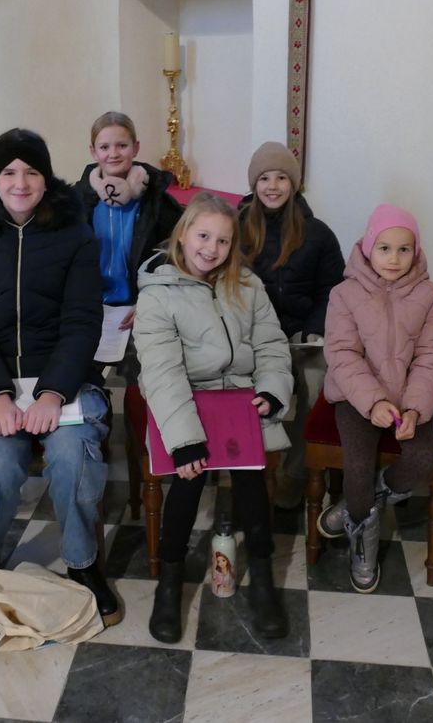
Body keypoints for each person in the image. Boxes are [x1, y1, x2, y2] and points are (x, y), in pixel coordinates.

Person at [0, 128, 120, 635]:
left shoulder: (75, 232)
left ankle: (83, 561)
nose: (20, 183)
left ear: (46, 180)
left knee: (71, 454)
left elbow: (83, 320)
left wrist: (51, 391)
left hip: (61, 382)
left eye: (31, 172)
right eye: (8, 172)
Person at [134, 193, 294, 642]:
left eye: (223, 241)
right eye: (203, 236)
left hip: (242, 399)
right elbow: (162, 372)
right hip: (186, 401)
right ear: (183, 234)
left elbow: (271, 345)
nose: (212, 248)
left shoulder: (247, 285)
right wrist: (185, 440)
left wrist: (272, 390)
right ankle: (169, 583)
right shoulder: (158, 294)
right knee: (187, 482)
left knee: (251, 482)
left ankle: (262, 579)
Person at [320, 204, 433, 593]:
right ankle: (362, 542)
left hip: (409, 397)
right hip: (355, 397)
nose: (394, 259)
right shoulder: (344, 294)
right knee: (357, 471)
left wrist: (414, 408)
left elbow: (432, 356)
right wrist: (373, 402)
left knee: (422, 460)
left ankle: (361, 503)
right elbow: (342, 354)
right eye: (385, 248)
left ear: (417, 251)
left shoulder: (431, 296)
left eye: (404, 249)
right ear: (368, 248)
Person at [239, 142, 344, 508]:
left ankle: (296, 473)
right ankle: (248, 469)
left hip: (302, 338)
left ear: (293, 183)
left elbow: (333, 289)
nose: (272, 186)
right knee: (238, 388)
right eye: (264, 178)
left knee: (318, 387)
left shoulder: (318, 234)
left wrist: (313, 328)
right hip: (250, 339)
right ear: (254, 184)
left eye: (281, 177)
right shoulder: (236, 229)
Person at [75, 111, 183, 377]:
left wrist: (149, 303)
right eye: (104, 147)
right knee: (77, 365)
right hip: (91, 307)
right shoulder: (76, 204)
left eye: (122, 145)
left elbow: (172, 260)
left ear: (135, 148)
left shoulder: (158, 204)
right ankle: (99, 410)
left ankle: (139, 413)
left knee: (146, 369)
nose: (113, 153)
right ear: (93, 151)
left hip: (140, 306)